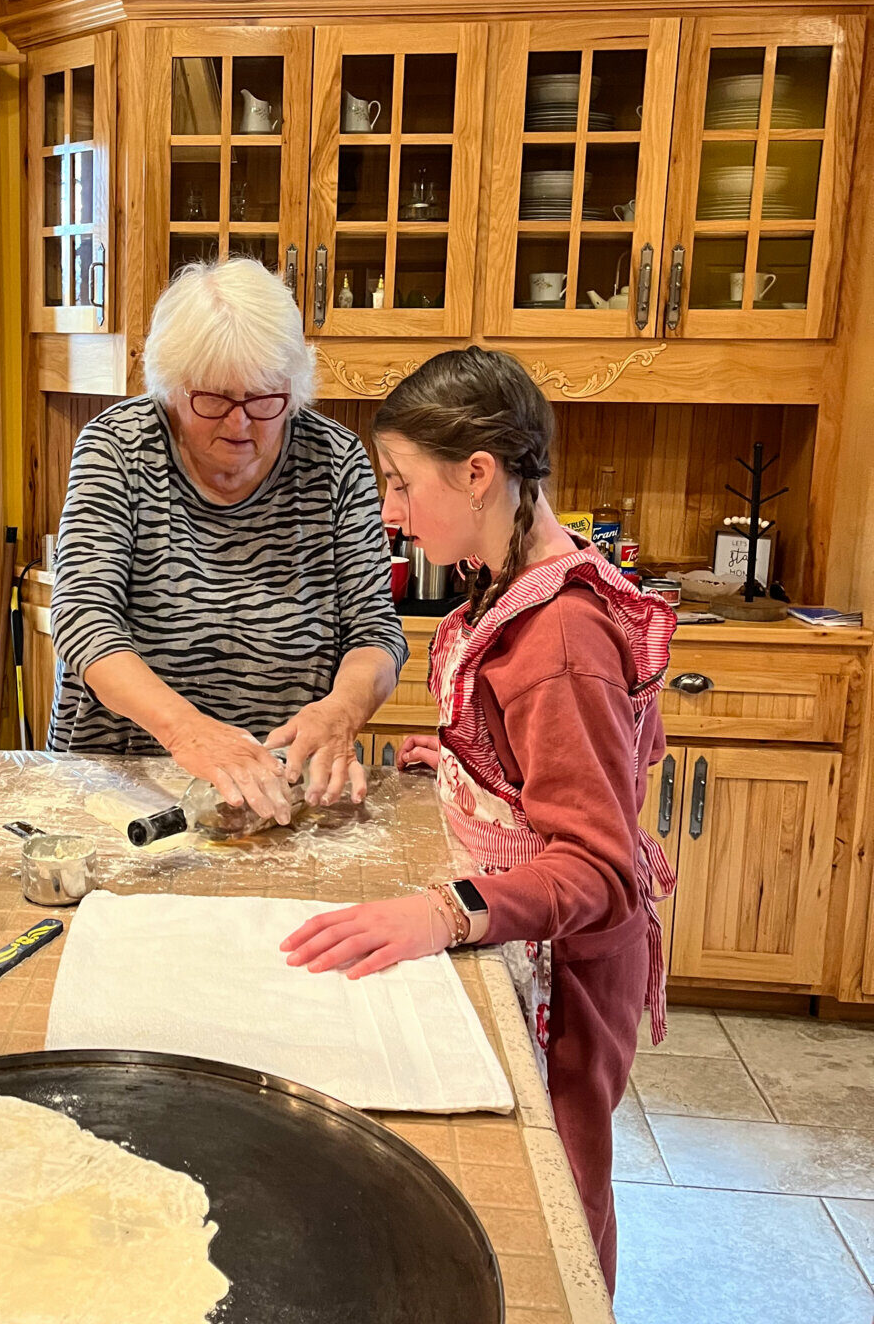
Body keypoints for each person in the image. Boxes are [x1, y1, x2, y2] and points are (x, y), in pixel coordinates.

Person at [280, 346, 675, 1294]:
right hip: (540, 940)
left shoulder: (562, 641)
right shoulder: (511, 578)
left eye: (401, 483)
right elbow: (536, 762)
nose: (389, 511)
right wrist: (465, 764)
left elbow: (597, 868)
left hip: (572, 972)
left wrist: (443, 911)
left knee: (560, 1199)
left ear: (478, 473)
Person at [49, 257, 407, 819]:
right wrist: (188, 733)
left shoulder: (335, 462)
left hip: (280, 788)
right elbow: (83, 619)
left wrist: (340, 712)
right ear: (170, 389)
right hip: (126, 787)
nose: (240, 425)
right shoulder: (117, 449)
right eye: (213, 400)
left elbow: (374, 631)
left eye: (265, 399)